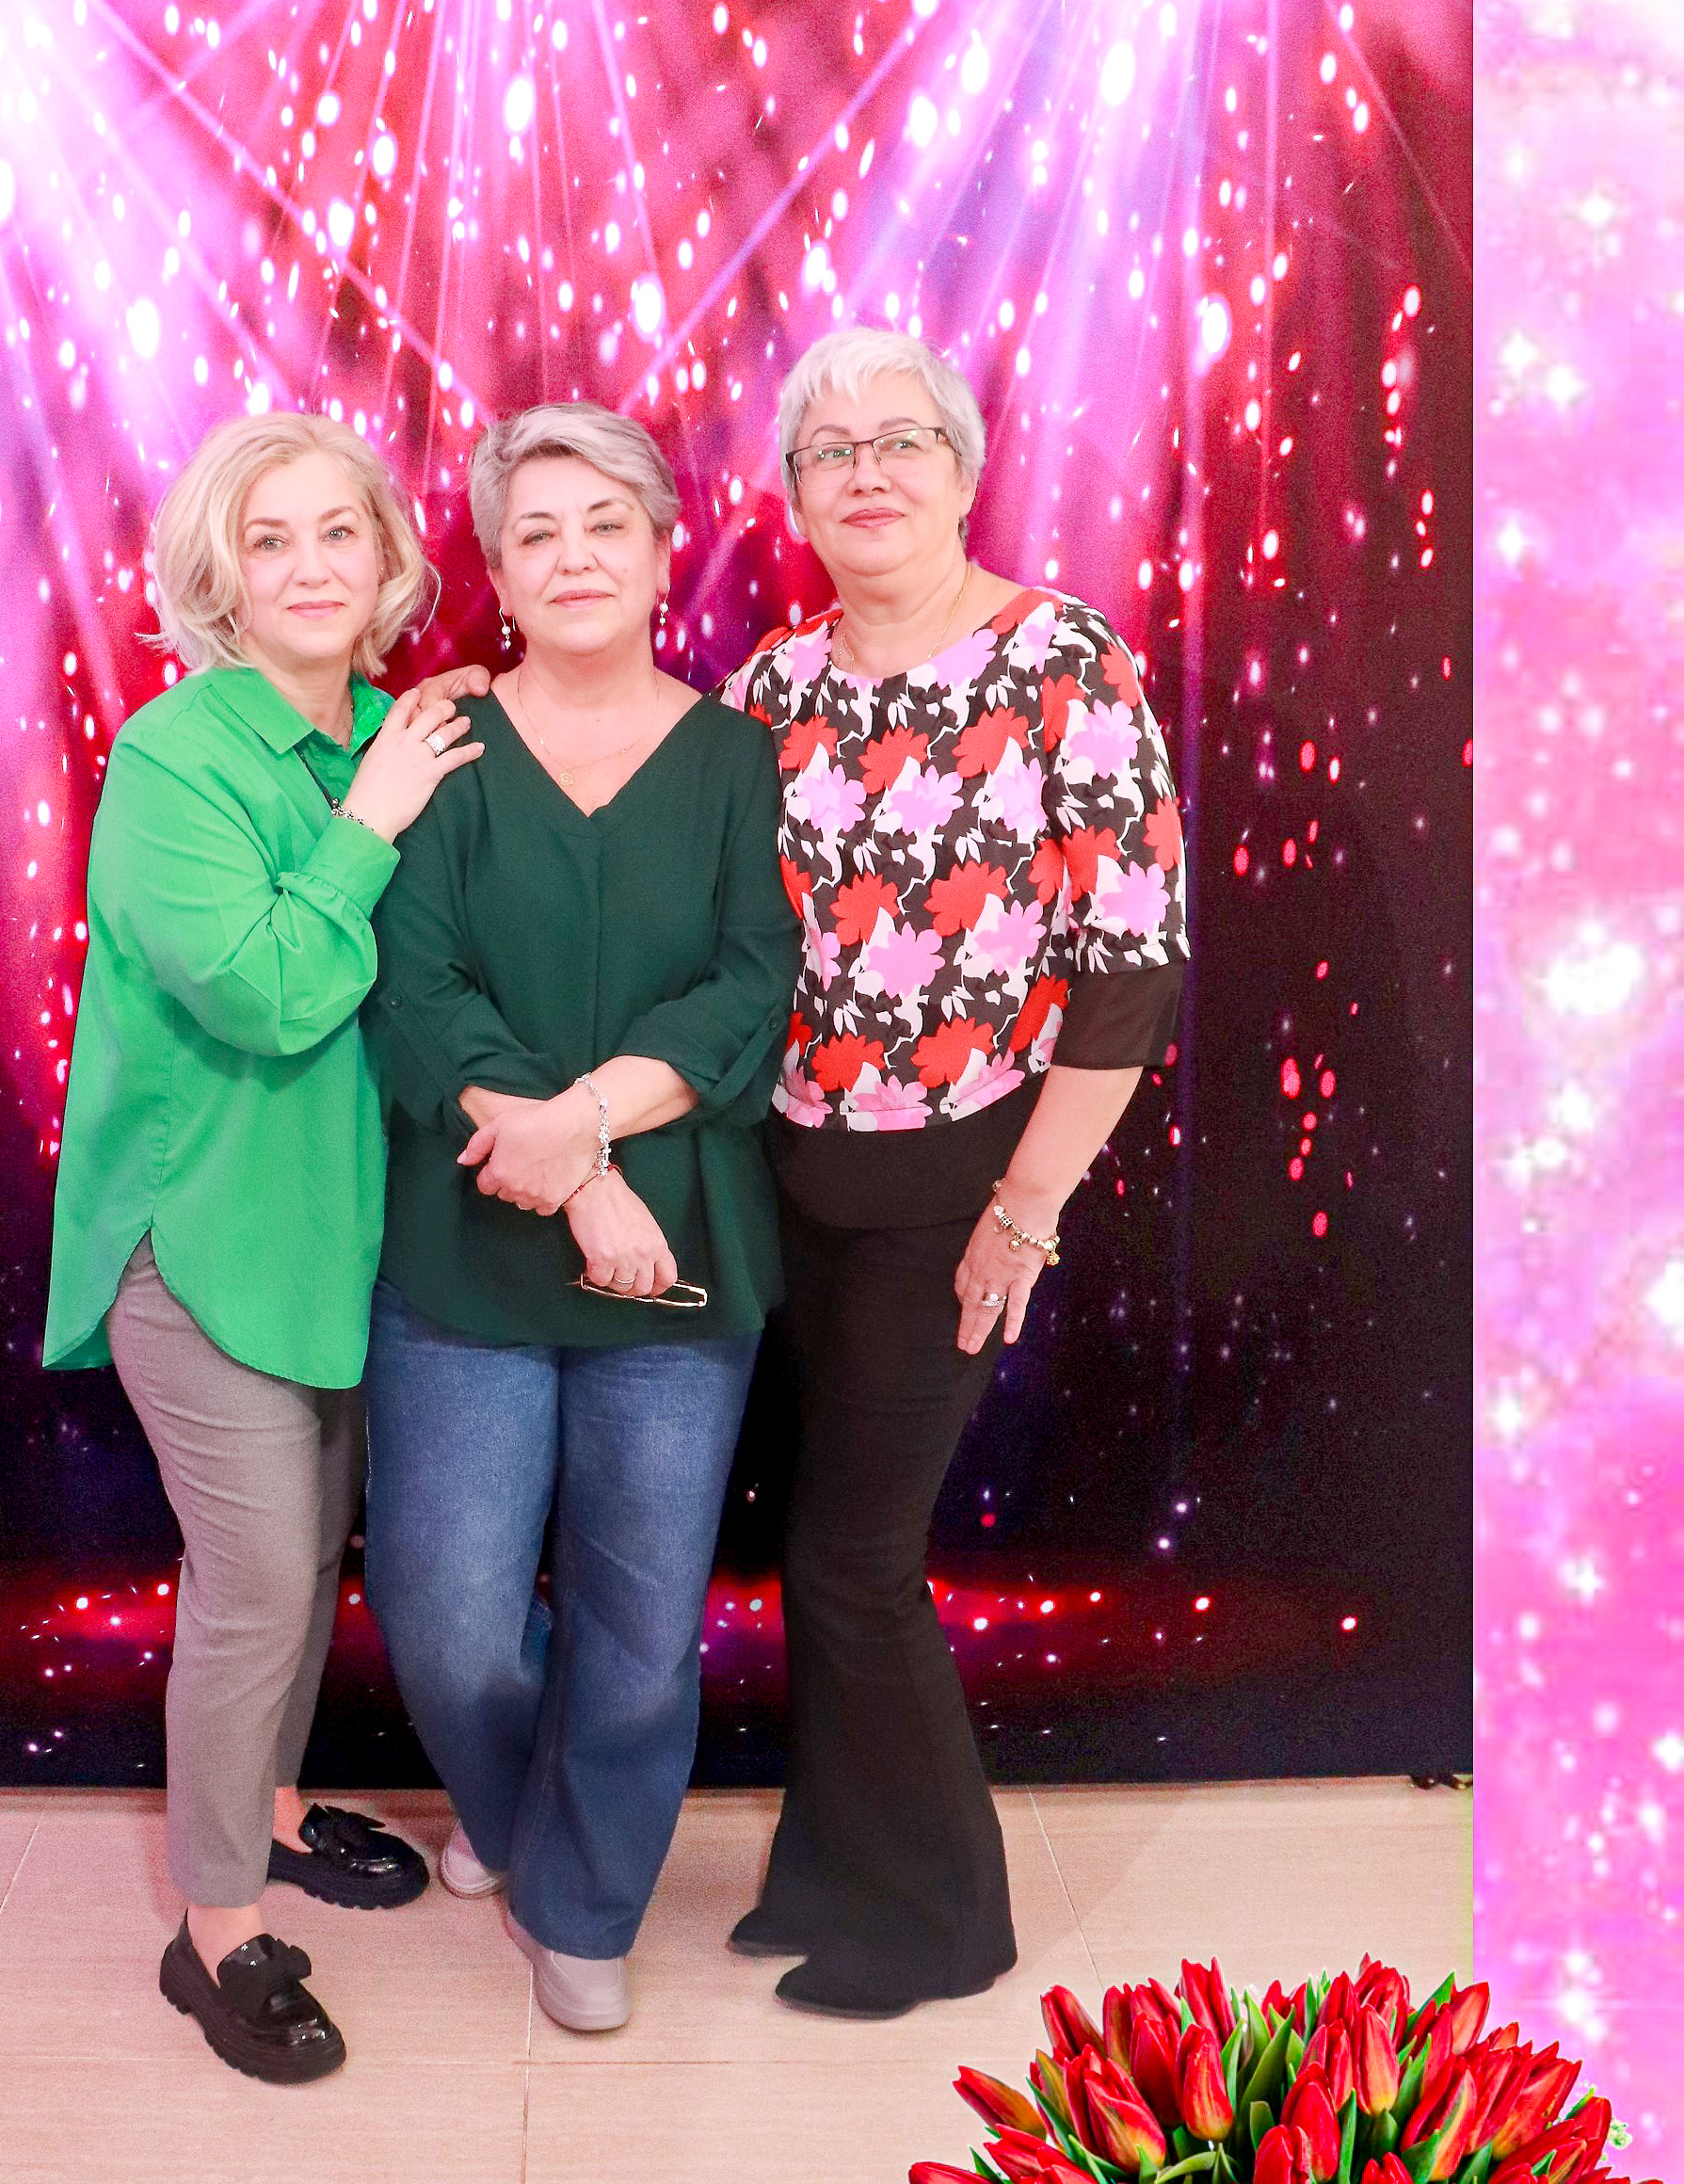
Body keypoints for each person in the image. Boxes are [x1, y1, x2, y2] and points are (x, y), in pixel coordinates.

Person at [721, 327, 1190, 2018]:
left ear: (964, 469)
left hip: (964, 1176)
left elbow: (1133, 967)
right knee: (811, 1544)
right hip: (790, 1174)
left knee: (857, 1555)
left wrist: (1026, 1211)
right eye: (830, 450)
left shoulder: (1063, 657)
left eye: (902, 439)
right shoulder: (773, 685)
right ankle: (827, 1870)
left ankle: (943, 1920)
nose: (868, 472)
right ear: (794, 496)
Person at [42, 414, 487, 2084]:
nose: (309, 567)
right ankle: (214, 1925)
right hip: (201, 1240)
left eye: (337, 533)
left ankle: (278, 1805)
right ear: (220, 580)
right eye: (269, 540)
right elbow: (271, 992)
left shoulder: (398, 724)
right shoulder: (176, 755)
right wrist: (372, 819)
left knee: (302, 1568)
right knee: (253, 1583)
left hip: (349, 1241)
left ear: (388, 558)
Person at [361, 405, 795, 2033]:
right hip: (473, 1233)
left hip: (678, 1262)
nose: (574, 557)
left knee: (640, 1623)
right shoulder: (442, 749)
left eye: (607, 523)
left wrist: (596, 1126)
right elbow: (416, 990)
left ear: (667, 551)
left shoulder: (740, 759)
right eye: (536, 532)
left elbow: (750, 987)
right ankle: (513, 1806)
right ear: (496, 570)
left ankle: (584, 1899)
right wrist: (577, 1169)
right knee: (450, 1614)